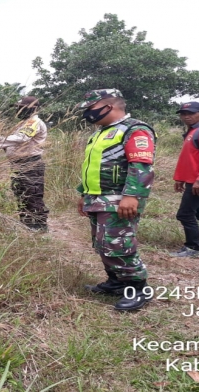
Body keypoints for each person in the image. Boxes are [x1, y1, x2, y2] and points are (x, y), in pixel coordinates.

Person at [75, 89, 156, 311]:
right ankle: (116, 282)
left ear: (108, 106)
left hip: (119, 200)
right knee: (103, 244)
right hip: (97, 197)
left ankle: (138, 288)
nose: (87, 114)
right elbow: (92, 167)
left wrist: (132, 196)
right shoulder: (101, 132)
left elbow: (140, 165)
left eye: (90, 109)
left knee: (119, 245)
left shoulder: (135, 130)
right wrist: (84, 193)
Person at [0, 96, 49, 232]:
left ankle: (39, 225)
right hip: (19, 164)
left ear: (32, 108)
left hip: (30, 164)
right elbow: (15, 142)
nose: (18, 110)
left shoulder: (33, 122)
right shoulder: (25, 123)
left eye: (21, 107)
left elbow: (22, 138)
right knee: (21, 192)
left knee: (32, 193)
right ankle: (27, 223)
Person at [170, 101, 199, 257]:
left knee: (185, 214)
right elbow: (188, 159)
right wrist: (180, 178)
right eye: (183, 114)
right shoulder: (193, 131)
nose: (186, 116)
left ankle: (193, 248)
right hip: (193, 180)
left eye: (191, 113)